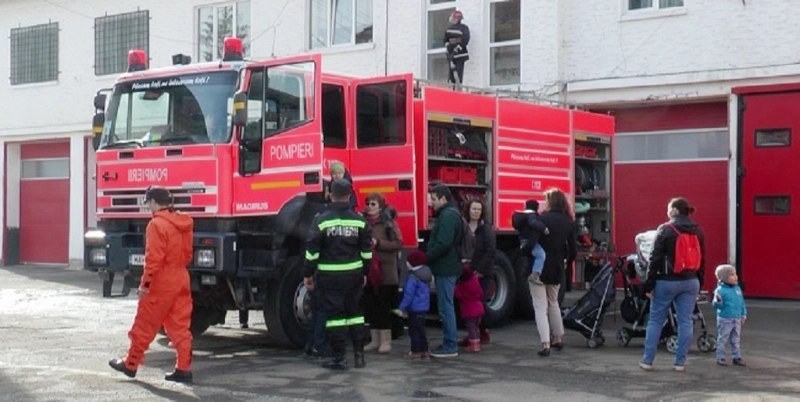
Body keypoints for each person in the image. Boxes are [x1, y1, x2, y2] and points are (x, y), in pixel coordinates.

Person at [109, 186, 195, 383]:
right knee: (180, 327)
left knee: (145, 323)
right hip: (181, 276)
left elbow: (153, 260)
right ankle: (184, 369)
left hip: (162, 281)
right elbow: (188, 254)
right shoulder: (184, 223)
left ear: (154, 202)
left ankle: (130, 364)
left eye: (147, 202)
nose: (147, 206)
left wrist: (144, 285)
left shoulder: (156, 225)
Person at [303, 179, 372, 370]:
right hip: (354, 275)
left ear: (330, 194)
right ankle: (359, 356)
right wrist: (364, 272)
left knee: (335, 317)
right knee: (356, 314)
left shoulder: (321, 220)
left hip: (329, 276)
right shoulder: (360, 220)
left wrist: (307, 273)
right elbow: (367, 252)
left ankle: (339, 358)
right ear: (349, 196)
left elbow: (312, 252)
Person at [639, 197, 706, 372]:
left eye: (669, 208)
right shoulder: (698, 231)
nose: (667, 211)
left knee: (655, 320)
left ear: (675, 210)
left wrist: (649, 284)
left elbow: (655, 258)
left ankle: (647, 361)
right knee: (685, 321)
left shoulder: (666, 229)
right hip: (691, 281)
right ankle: (680, 363)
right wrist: (700, 281)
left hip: (666, 281)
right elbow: (702, 259)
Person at [532, 188, 577, 357]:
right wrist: (566, 262)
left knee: (539, 306)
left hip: (540, 268)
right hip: (557, 267)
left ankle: (545, 343)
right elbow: (573, 250)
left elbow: (532, 242)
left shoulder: (542, 219)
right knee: (553, 303)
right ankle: (558, 337)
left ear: (550, 201)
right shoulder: (569, 222)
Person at [362, 192, 403, 354]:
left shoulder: (388, 223)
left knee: (384, 307)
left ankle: (386, 341)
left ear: (380, 206)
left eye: (373, 204)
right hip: (370, 272)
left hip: (386, 271)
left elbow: (398, 243)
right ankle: (375, 340)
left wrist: (378, 243)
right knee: (371, 306)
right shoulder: (363, 222)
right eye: (368, 203)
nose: (370, 207)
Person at [425, 184, 462, 358]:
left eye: (433, 199)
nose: (431, 203)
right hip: (447, 266)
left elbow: (444, 242)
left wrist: (427, 256)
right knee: (446, 306)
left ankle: (450, 345)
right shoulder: (451, 214)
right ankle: (450, 342)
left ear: (443, 198)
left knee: (446, 307)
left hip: (445, 267)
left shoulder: (447, 216)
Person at [461, 199, 495, 345]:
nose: (476, 212)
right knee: (467, 304)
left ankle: (480, 333)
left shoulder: (486, 228)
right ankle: (474, 333)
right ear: (468, 210)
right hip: (466, 271)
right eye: (473, 209)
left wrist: (480, 270)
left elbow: (490, 250)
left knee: (478, 304)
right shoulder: (464, 226)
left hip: (482, 272)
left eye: (479, 209)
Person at [395, 250, 432, 361]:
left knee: (414, 331)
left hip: (414, 309)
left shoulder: (412, 277)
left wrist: (401, 308)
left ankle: (415, 352)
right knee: (421, 331)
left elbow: (409, 295)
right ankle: (425, 351)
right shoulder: (426, 274)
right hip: (424, 307)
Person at [713, 264, 747, 367]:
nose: (735, 277)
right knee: (723, 338)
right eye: (732, 275)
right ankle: (720, 357)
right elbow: (717, 306)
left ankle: (736, 357)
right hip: (725, 319)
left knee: (736, 339)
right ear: (724, 278)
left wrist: (743, 314)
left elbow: (741, 303)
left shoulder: (737, 289)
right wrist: (718, 301)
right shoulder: (720, 290)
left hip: (736, 318)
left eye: (735, 274)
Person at [511, 199, 549, 285]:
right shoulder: (531, 216)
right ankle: (535, 275)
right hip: (531, 242)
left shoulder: (520, 216)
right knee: (541, 255)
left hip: (523, 241)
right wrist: (544, 228)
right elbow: (533, 223)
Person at [454, 265, 485, 353]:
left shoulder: (462, 285)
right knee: (476, 327)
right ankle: (477, 342)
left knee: (471, 327)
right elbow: (481, 292)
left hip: (469, 310)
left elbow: (458, 294)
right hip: (479, 308)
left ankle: (474, 344)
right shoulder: (475, 281)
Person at [443, 10, 470, 84]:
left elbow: (464, 41)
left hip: (458, 55)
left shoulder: (461, 29)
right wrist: (449, 52)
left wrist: (453, 52)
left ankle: (456, 89)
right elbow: (446, 41)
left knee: (457, 75)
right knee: (454, 75)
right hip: (454, 55)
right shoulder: (462, 28)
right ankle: (455, 88)